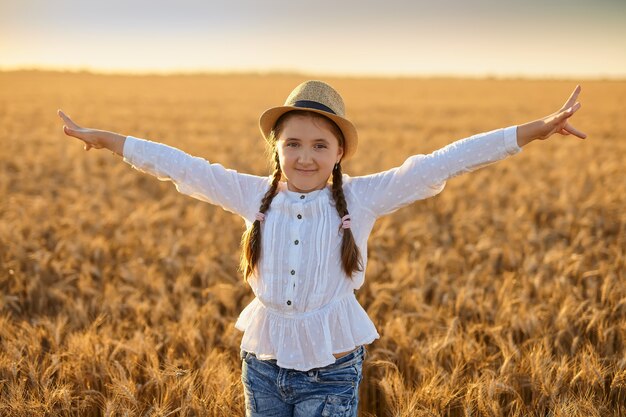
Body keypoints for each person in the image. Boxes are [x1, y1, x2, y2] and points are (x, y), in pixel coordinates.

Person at [57, 80, 586, 416]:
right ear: (276, 149)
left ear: (338, 153)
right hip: (262, 364)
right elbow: (183, 168)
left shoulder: (363, 196)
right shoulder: (252, 195)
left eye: (319, 145)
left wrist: (531, 132)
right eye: (292, 143)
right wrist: (108, 139)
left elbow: (442, 162)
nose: (304, 156)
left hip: (332, 367)